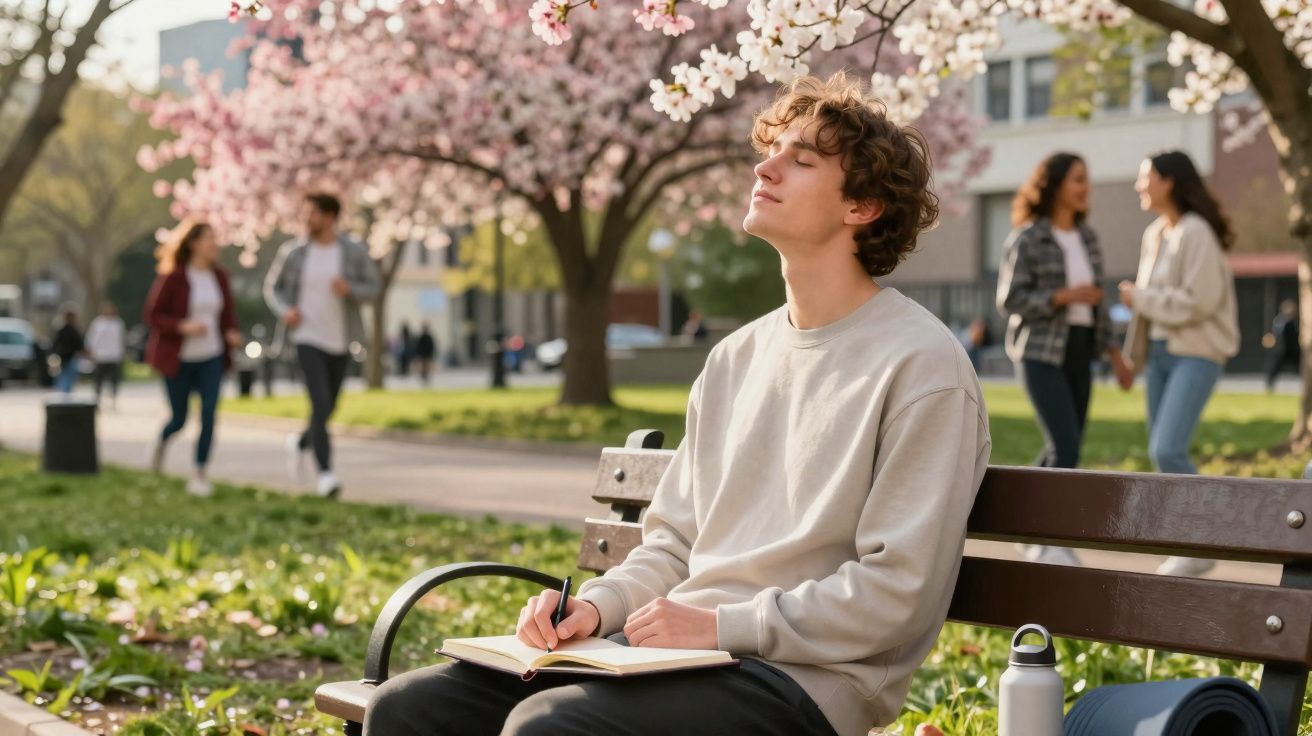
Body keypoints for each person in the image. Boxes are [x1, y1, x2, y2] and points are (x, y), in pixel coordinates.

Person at [364, 72, 991, 736]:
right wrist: (597, 609)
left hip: (801, 684)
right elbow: (675, 546)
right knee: (411, 709)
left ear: (861, 207)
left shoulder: (921, 365)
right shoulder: (735, 358)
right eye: (771, 150)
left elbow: (897, 593)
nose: (765, 165)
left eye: (800, 161)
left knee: (549, 728)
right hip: (674, 656)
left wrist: (722, 624)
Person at [995, 152, 1132, 567]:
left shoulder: (1087, 238)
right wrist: (1063, 297)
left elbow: (1100, 304)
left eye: (1086, 179)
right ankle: (1050, 542)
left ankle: (1020, 525)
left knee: (1064, 449)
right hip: (1039, 351)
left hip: (1080, 347)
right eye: (1077, 179)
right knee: (1066, 447)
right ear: (1054, 185)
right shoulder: (1027, 238)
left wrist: (1116, 356)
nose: (1085, 187)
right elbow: (1010, 300)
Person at [1119, 151, 1240, 577]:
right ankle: (1186, 544)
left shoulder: (1196, 232)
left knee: (1167, 448)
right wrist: (1131, 357)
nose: (1139, 186)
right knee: (1163, 454)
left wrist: (1140, 297)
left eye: (1145, 177)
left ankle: (1202, 542)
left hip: (1197, 353)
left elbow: (1198, 302)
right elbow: (1147, 311)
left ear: (1168, 182)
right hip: (1163, 355)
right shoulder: (1155, 234)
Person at [264, 192, 380, 499]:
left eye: (313, 213)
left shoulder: (352, 252)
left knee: (329, 406)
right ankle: (326, 474)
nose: (307, 219)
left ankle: (301, 442)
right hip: (305, 338)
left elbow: (373, 287)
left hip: (341, 340)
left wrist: (349, 289)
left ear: (330, 217)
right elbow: (273, 289)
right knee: (319, 401)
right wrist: (286, 309)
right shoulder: (294, 252)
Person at [143, 219, 242, 498]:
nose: (214, 244)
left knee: (209, 414)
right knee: (180, 418)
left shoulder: (219, 277)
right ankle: (161, 442)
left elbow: (228, 313)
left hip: (211, 355)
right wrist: (181, 326)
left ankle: (199, 473)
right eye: (209, 238)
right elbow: (152, 315)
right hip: (178, 358)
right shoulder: (174, 277)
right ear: (194, 243)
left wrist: (232, 332)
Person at [85, 301, 127, 409]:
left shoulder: (118, 323)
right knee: (98, 380)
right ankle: (97, 399)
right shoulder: (97, 323)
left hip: (114, 356)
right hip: (100, 356)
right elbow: (91, 339)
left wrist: (122, 353)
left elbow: (122, 339)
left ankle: (113, 398)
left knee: (114, 380)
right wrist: (91, 352)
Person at [1265, 299, 1299, 392]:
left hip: (1292, 349)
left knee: (1300, 366)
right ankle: (1269, 383)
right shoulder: (1281, 321)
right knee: (1276, 367)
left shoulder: (1291, 321)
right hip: (1283, 349)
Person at [50, 306, 85, 394]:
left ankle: (64, 395)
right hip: (70, 357)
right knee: (68, 377)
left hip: (64, 357)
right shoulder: (73, 330)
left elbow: (55, 344)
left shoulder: (62, 329)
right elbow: (79, 344)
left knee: (64, 377)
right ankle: (66, 395)